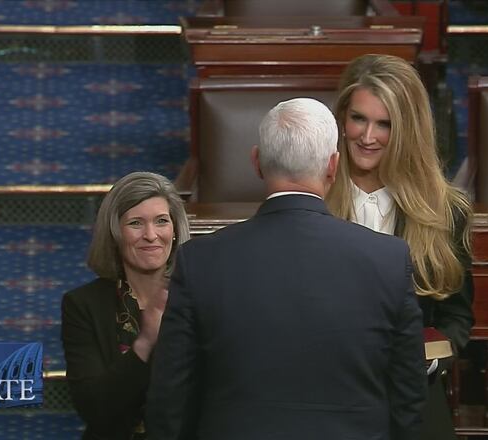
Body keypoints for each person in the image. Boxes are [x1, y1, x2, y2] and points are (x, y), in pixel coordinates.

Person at [146, 98, 427, 440]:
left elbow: (170, 400)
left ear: (257, 162)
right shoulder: (389, 259)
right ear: (333, 166)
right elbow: (409, 400)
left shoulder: (199, 261)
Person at [325, 53, 474, 440]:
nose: (367, 136)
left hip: (410, 395)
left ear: (408, 130)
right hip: (325, 390)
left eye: (384, 124)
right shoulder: (313, 198)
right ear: (342, 118)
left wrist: (428, 361)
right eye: (358, 118)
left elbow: (455, 318)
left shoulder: (446, 211)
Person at [61, 171, 190, 440]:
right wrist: (144, 344)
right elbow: (93, 408)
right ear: (115, 234)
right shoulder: (83, 305)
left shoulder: (199, 298)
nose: (151, 235)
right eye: (135, 223)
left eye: (161, 221)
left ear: (175, 231)